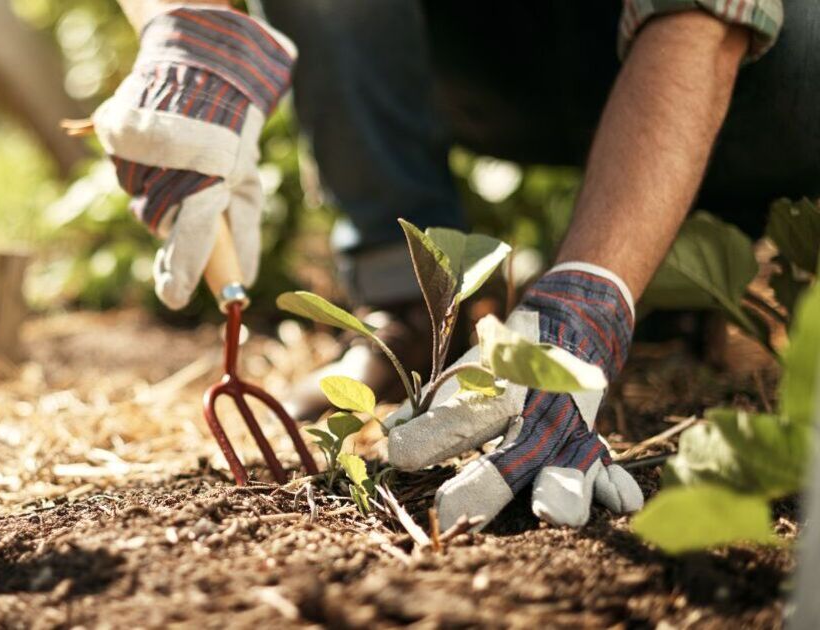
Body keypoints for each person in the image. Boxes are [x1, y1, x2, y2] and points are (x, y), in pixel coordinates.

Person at [91, 0, 820, 530]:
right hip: (489, 61)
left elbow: (705, 20)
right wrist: (187, 26)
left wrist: (589, 298)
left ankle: (681, 257)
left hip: (757, 62)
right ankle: (410, 308)